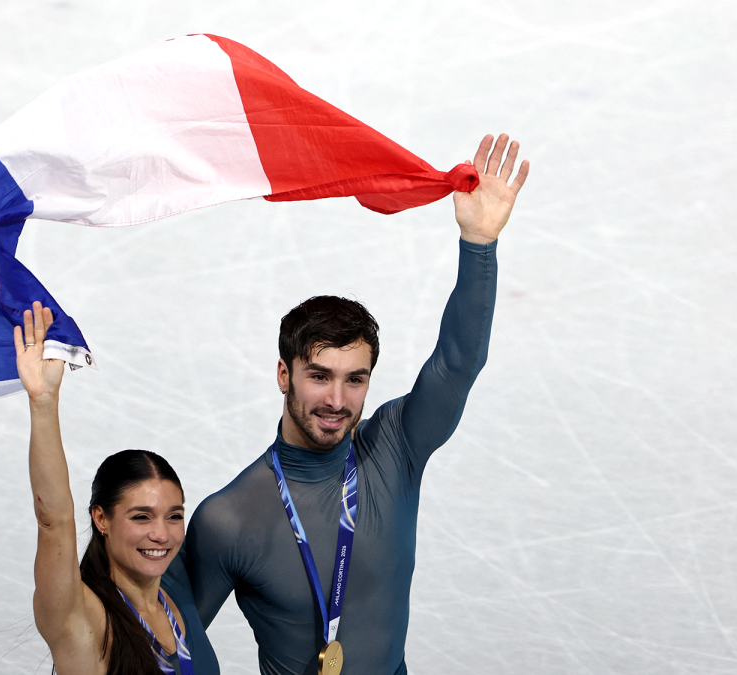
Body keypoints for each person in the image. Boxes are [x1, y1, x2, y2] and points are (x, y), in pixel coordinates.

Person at [184, 134, 530, 675]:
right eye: (319, 376)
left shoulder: (396, 446)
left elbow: (457, 364)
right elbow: (172, 648)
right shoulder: (227, 520)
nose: (337, 401)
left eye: (355, 380)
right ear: (284, 375)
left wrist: (478, 244)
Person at [17, 301, 219, 675]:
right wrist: (43, 402)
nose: (161, 534)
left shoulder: (175, 601)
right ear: (101, 519)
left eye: (174, 516)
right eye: (141, 516)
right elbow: (53, 520)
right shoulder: (83, 620)